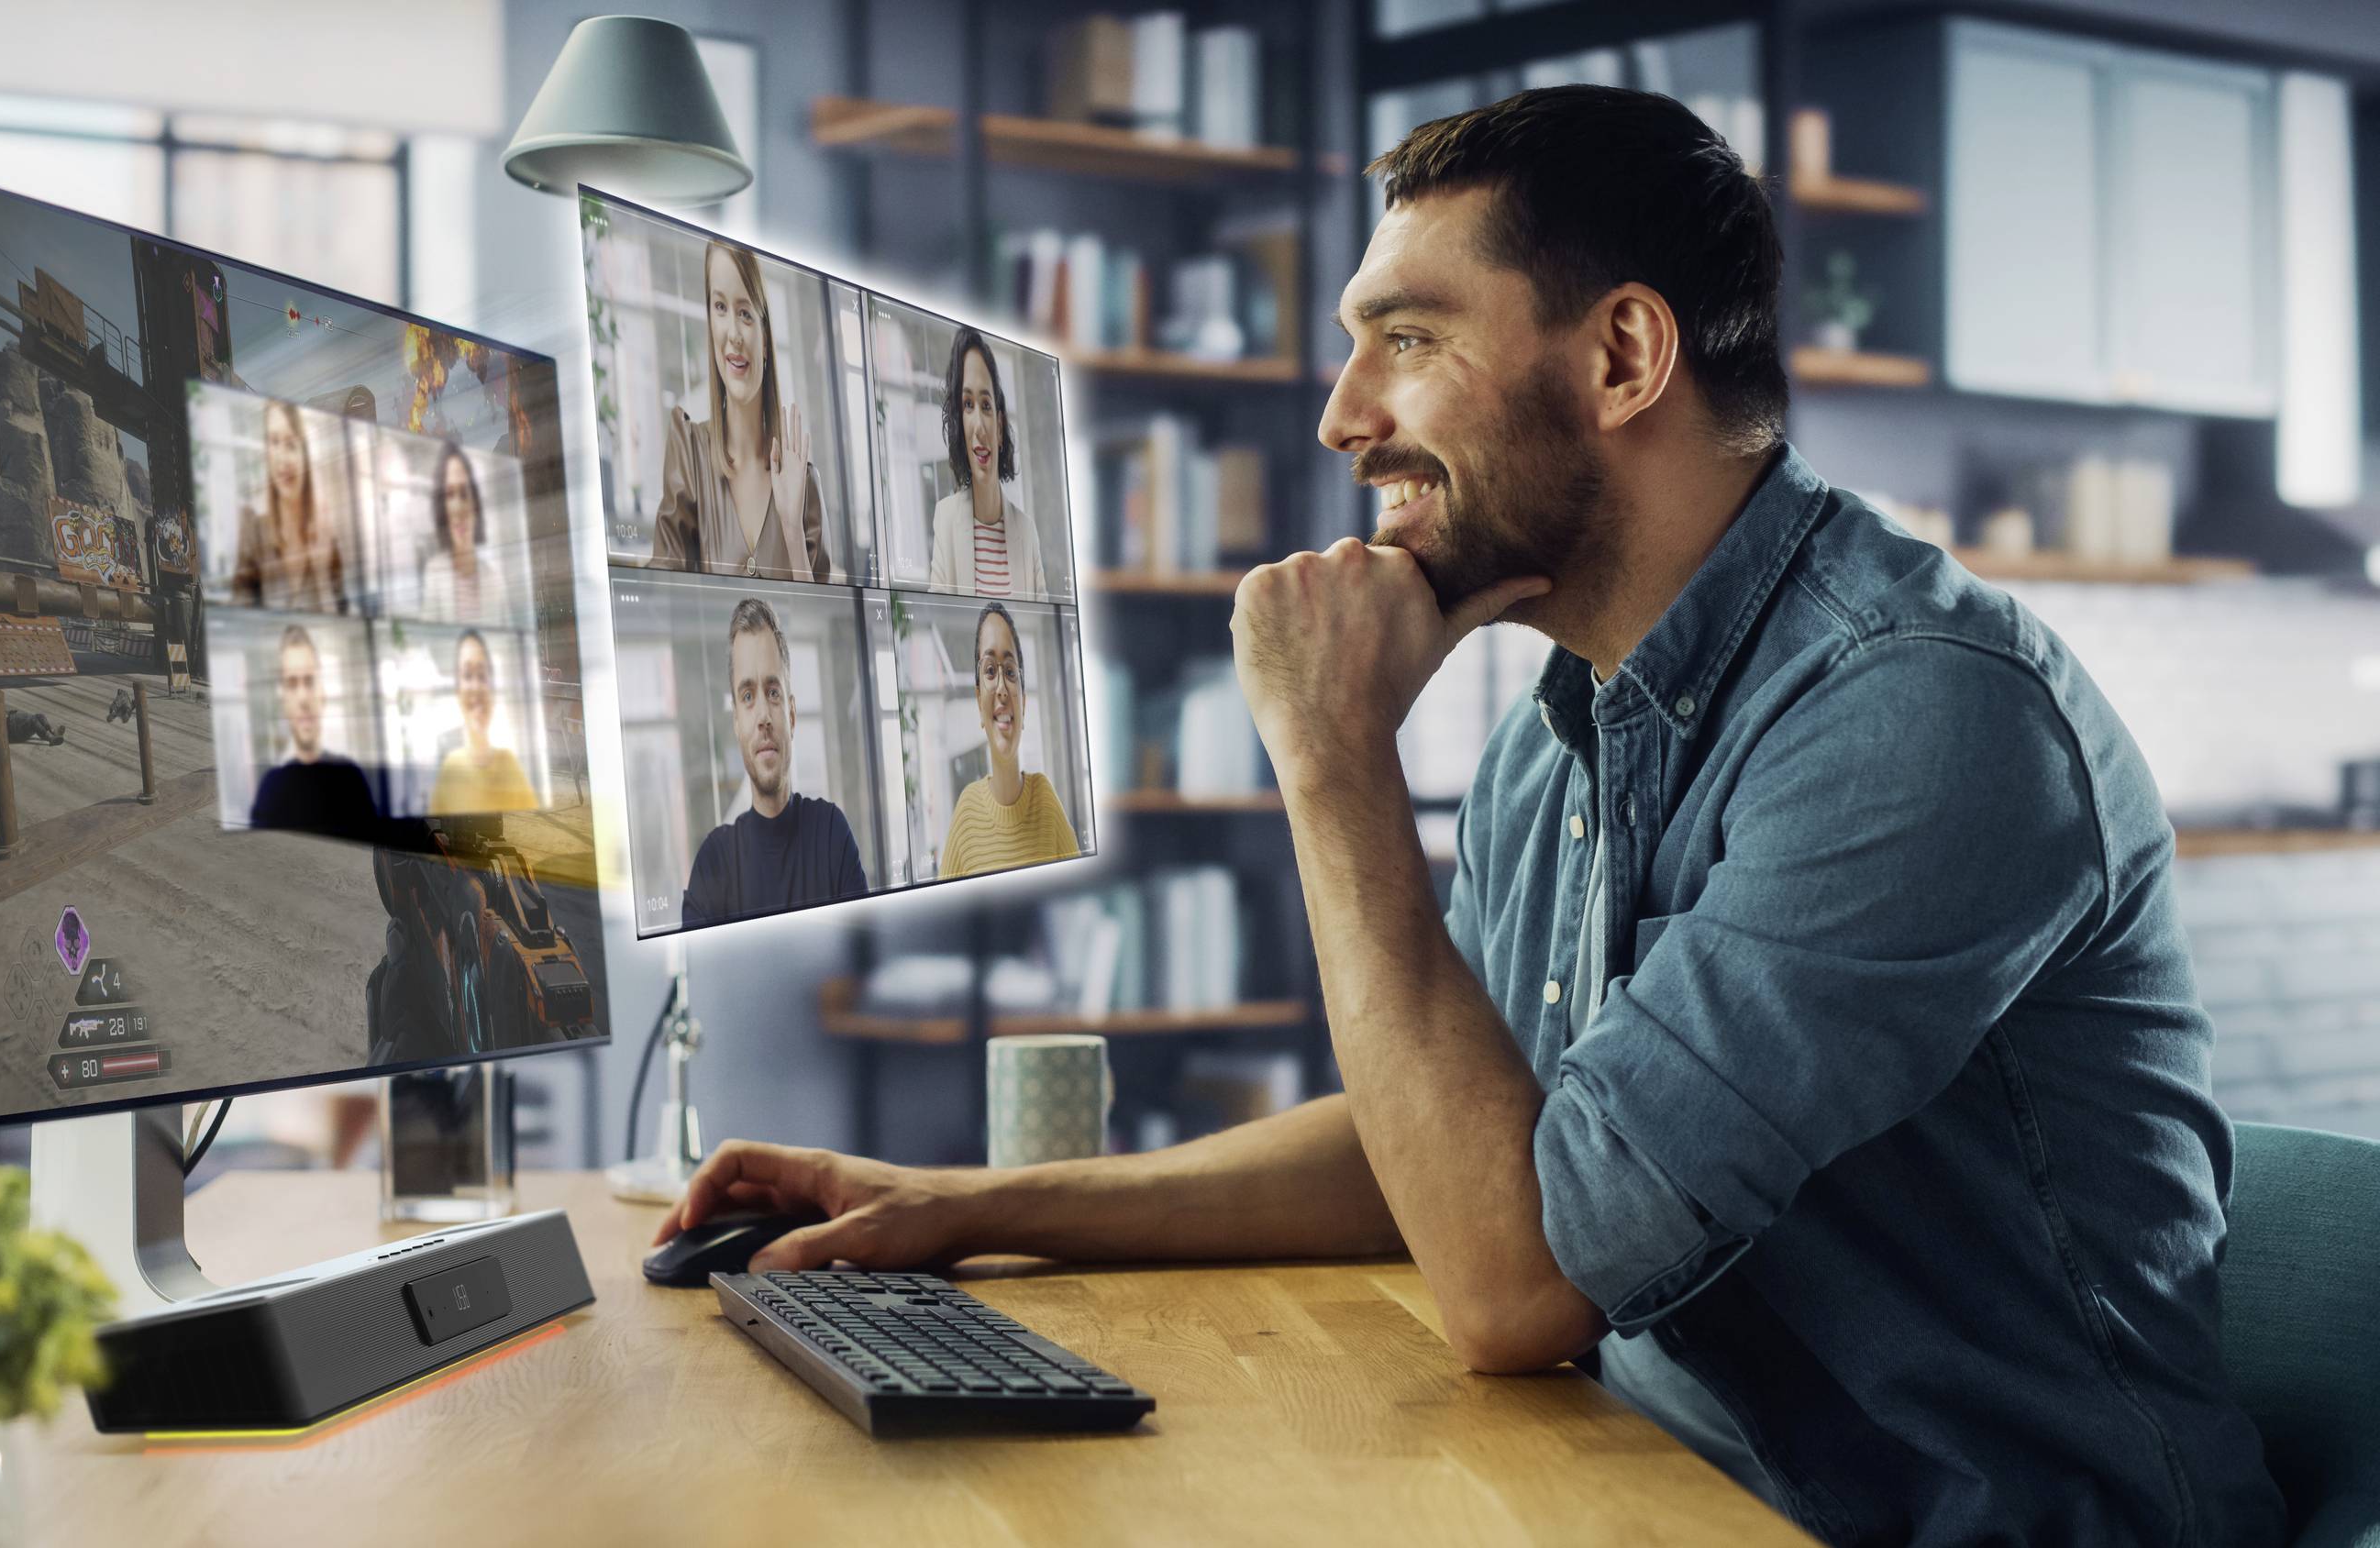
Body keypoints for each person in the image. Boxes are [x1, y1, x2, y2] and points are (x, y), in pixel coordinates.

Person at [655, 86, 2286, 1548]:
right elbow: (1466, 1154)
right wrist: (955, 1208)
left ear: (1627, 358)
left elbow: (1514, 1277)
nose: (1343, 414)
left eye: (1410, 338)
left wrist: (1332, 754)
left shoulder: (1917, 718)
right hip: (1664, 1484)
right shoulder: (1563, 720)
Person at [678, 597, 868, 926]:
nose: (764, 715)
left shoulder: (831, 834)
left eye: (773, 692)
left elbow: (864, 967)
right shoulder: (714, 864)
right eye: (748, 696)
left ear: (791, 714)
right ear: (736, 722)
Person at [649, 240, 832, 583]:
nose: (733, 334)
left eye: (745, 313)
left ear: (765, 339)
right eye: (720, 307)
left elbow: (823, 612)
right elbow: (664, 594)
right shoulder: (689, 454)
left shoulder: (803, 480)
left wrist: (792, 529)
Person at [938, 603, 1078, 877]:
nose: (1002, 688)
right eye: (990, 671)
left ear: (1023, 704)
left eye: (1011, 672)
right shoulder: (966, 815)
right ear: (979, 702)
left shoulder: (1045, 800)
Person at [924, 327, 1043, 598]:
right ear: (958, 424)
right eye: (967, 405)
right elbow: (943, 623)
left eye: (986, 406)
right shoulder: (945, 519)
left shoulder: (1027, 532)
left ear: (1000, 428)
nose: (979, 426)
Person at [249, 625, 382, 844]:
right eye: (292, 684)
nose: (303, 698)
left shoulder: (351, 779)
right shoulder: (270, 790)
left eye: (309, 681)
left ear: (323, 693)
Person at [229, 398, 349, 614]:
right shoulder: (253, 531)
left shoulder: (327, 536)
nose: (281, 458)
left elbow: (342, 621)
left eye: (291, 444)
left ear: (307, 455)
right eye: (274, 442)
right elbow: (241, 617)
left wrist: (321, 570)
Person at [430, 630, 541, 816]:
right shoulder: (449, 766)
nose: (476, 688)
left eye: (482, 676)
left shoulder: (509, 763)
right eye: (467, 675)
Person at [418, 444, 515, 624]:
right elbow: (428, 642)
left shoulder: (495, 578)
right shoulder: (434, 574)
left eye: (464, 494)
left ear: (475, 505)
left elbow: (509, 646)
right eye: (449, 495)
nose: (457, 508)